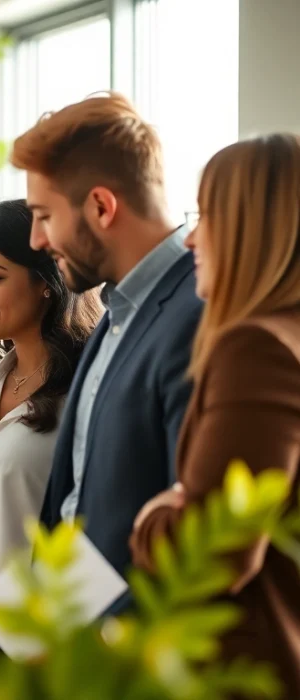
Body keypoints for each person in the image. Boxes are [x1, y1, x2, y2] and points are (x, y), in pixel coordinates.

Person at [12, 93, 203, 610]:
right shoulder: (117, 312)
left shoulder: (197, 318)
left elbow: (190, 542)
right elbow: (81, 506)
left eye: (44, 216)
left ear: (100, 206)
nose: (36, 240)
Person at [130, 134, 300, 697]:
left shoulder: (256, 348)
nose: (191, 237)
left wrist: (155, 514)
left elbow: (215, 553)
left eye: (206, 216)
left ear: (255, 229)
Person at [0, 200, 100, 651]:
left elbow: (105, 527)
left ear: (46, 282)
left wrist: (49, 637)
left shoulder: (86, 393)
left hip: (47, 648)